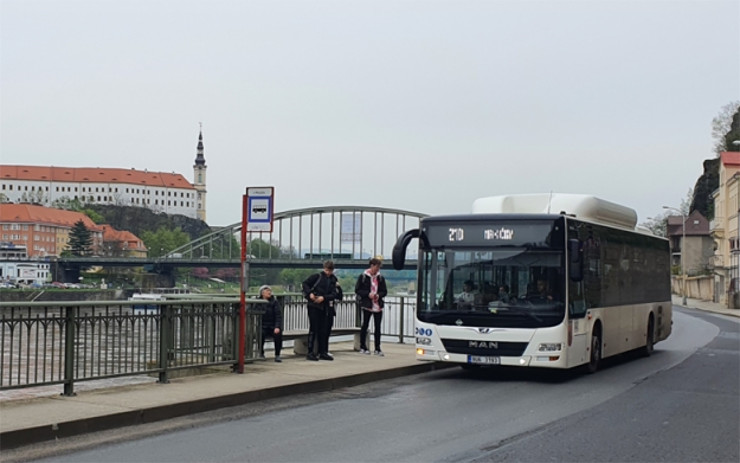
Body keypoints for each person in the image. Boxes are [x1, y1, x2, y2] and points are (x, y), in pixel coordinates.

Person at [302, 260, 341, 361]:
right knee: (313, 329)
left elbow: (334, 294)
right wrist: (310, 293)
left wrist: (324, 298)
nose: (328, 272)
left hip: (326, 307)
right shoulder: (317, 277)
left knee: (324, 330)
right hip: (314, 306)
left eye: (330, 271)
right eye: (327, 270)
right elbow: (305, 284)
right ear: (324, 268)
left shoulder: (333, 280)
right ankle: (310, 352)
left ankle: (322, 351)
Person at [355, 256, 388, 356]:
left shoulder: (380, 278)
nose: (377, 269)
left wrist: (378, 295)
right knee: (365, 325)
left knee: (378, 327)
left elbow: (384, 291)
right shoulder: (363, 276)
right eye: (376, 267)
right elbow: (357, 290)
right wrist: (368, 294)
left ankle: (377, 348)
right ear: (372, 266)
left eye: (379, 268)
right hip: (367, 305)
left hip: (378, 305)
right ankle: (363, 346)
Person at [258, 285, 283, 363]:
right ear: (262, 293)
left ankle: (277, 355)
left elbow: (278, 315)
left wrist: (277, 326)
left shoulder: (274, 302)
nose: (269, 292)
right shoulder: (258, 302)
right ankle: (261, 353)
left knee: (278, 334)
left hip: (273, 325)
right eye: (267, 290)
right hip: (262, 325)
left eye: (270, 291)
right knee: (261, 334)